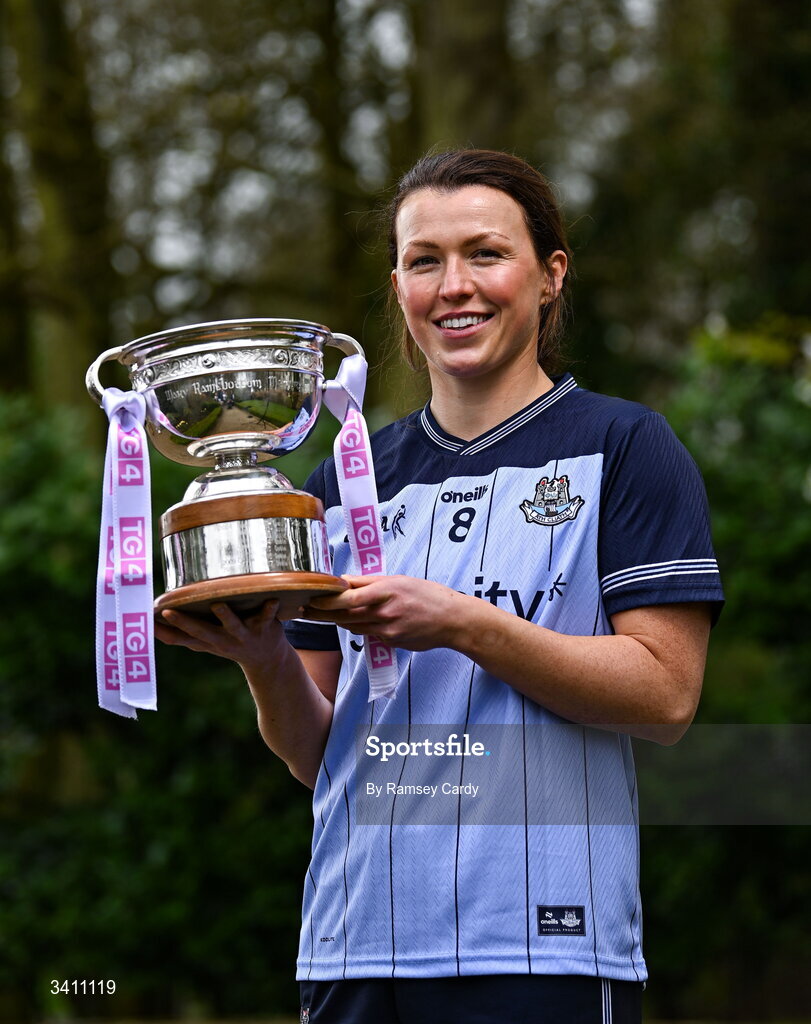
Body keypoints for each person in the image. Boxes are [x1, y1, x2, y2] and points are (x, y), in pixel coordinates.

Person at [156, 149, 723, 1024]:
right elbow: (320, 753)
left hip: (544, 949)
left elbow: (665, 696)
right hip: (353, 944)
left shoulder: (625, 447)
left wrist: (465, 624)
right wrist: (262, 657)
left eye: (485, 254)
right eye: (425, 261)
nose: (453, 285)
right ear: (399, 287)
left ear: (548, 276)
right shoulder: (343, 481)